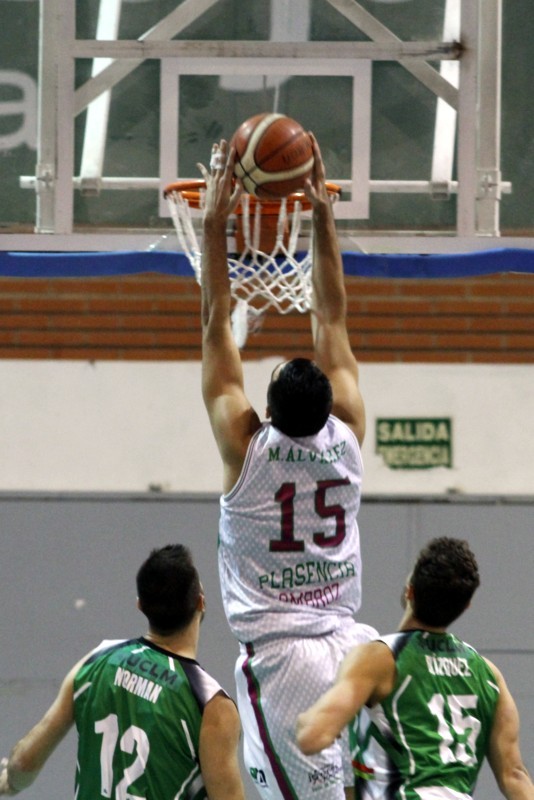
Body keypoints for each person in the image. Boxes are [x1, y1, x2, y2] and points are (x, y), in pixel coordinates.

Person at [197, 134, 377, 800]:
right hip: (352, 645)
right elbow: (332, 314)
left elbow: (217, 322)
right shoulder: (350, 430)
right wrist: (323, 218)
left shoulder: (245, 445)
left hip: (283, 658)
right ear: (330, 405)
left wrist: (216, 224)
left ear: (265, 411)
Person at [0, 544, 245, 800]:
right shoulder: (210, 704)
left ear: (140, 605)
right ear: (201, 602)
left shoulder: (97, 660)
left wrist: (11, 782)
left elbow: (24, 764)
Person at [296, 537, 534, 800]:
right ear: (465, 606)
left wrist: (299, 717)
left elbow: (313, 736)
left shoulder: (379, 659)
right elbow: (514, 776)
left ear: (409, 591)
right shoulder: (488, 674)